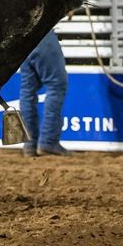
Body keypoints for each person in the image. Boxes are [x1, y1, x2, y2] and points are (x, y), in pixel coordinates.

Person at [19, 30, 71, 158]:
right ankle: (49, 142)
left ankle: (30, 144)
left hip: (22, 37)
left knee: (27, 91)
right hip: (41, 33)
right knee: (56, 85)